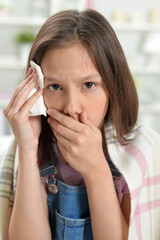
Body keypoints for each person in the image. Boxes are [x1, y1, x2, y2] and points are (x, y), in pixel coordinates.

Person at [2, 9, 160, 240]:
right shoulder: (32, 146)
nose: (71, 107)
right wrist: (27, 148)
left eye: (88, 85)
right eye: (55, 87)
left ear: (113, 86)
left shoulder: (140, 151)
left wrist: (96, 169)